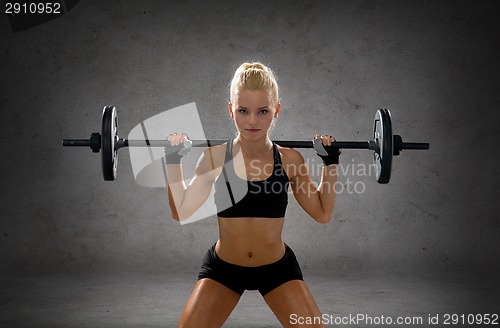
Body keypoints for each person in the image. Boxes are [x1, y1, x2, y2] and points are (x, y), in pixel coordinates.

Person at [164, 62, 340, 328]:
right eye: (243, 111)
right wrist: (173, 161)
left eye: (263, 111)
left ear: (276, 111)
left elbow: (322, 213)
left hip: (277, 269)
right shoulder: (214, 158)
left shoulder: (290, 160)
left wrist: (330, 164)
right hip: (224, 269)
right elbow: (181, 211)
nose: (253, 121)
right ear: (231, 110)